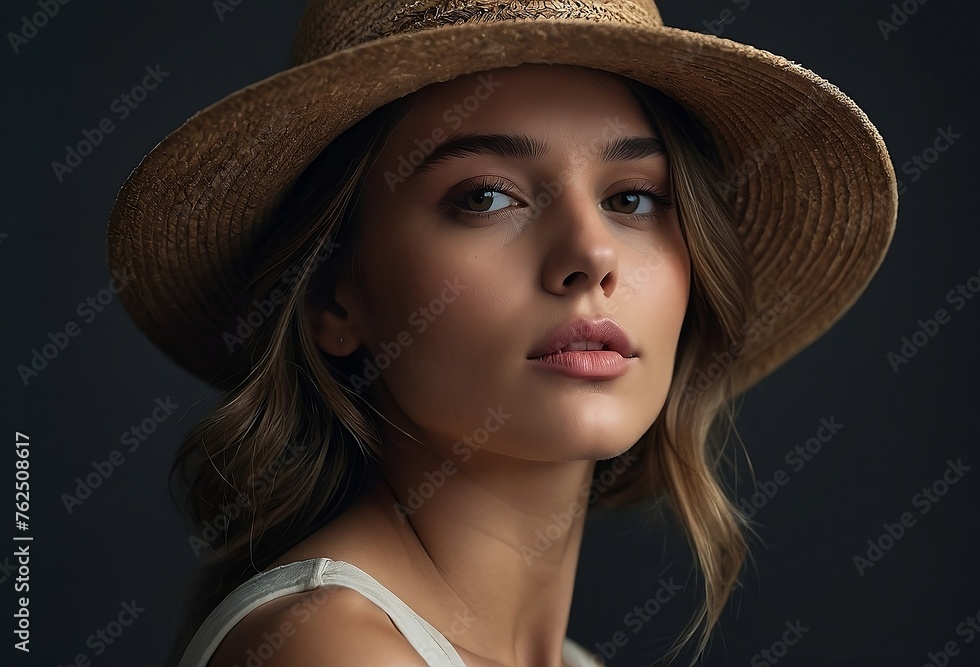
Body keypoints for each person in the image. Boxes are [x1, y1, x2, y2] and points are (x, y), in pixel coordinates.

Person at [105, 1, 897, 665]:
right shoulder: (328, 647)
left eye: (633, 198)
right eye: (486, 197)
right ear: (333, 298)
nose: (591, 254)